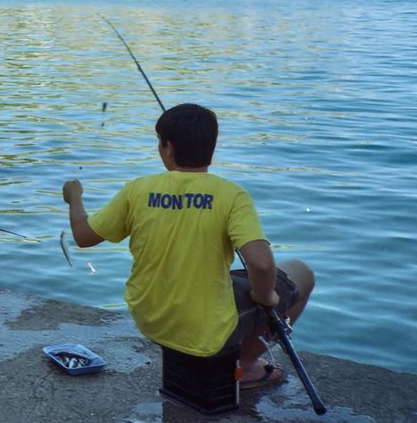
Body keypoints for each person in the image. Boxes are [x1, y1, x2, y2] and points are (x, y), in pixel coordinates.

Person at [62, 103, 314, 389]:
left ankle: (236, 359)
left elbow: (83, 236)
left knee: (236, 279)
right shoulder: (231, 195)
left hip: (150, 317)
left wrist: (75, 198)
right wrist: (265, 296)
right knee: (300, 272)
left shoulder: (137, 189)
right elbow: (262, 263)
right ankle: (247, 366)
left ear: (167, 147)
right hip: (202, 328)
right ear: (212, 146)